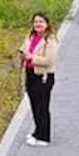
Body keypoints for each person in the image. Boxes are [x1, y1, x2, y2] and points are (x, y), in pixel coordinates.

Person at [18, 13, 59, 147]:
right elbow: (24, 49)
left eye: (41, 22)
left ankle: (44, 136)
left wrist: (31, 58)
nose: (38, 24)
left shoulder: (50, 41)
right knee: (35, 105)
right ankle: (37, 131)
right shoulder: (31, 37)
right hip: (30, 74)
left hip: (43, 77)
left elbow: (49, 61)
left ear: (47, 24)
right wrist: (23, 53)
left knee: (42, 106)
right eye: (35, 22)